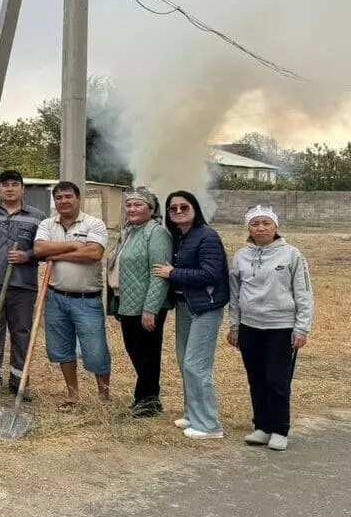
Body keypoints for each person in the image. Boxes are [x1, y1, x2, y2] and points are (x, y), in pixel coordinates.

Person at [228, 205, 314, 452]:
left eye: (266, 223)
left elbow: (304, 292)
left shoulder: (292, 255)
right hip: (250, 327)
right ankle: (262, 427)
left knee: (277, 380)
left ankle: (279, 429)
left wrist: (302, 327)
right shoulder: (241, 256)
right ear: (248, 228)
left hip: (281, 327)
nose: (261, 228)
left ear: (275, 226)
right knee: (257, 379)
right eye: (255, 224)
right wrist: (234, 326)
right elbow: (235, 294)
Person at [153, 190, 229, 440]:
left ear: (195, 209)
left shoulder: (207, 236)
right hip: (186, 306)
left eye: (184, 207)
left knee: (196, 365)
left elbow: (210, 274)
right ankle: (192, 414)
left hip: (205, 308)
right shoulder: (181, 237)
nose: (178, 212)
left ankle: (209, 425)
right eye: (173, 209)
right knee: (185, 361)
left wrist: (172, 273)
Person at [33, 181, 111, 410]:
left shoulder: (94, 223)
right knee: (61, 348)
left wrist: (55, 253)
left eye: (68, 197)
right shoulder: (47, 224)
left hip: (87, 299)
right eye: (59, 198)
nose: (64, 201)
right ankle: (72, 394)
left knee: (95, 349)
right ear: (54, 201)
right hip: (56, 297)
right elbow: (38, 250)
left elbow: (94, 253)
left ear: (78, 199)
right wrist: (75, 245)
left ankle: (104, 396)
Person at [0, 170, 46, 398]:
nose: (10, 188)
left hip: (23, 285)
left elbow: (44, 250)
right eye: (5, 185)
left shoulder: (37, 217)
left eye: (15, 184)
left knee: (22, 333)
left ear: (22, 189)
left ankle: (19, 380)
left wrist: (28, 255)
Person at [107, 187, 172, 418]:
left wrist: (150, 308)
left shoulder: (155, 233)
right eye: (129, 205)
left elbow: (159, 273)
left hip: (146, 305)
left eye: (138, 205)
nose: (132, 209)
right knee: (134, 350)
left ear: (151, 209)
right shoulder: (130, 231)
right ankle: (146, 397)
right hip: (128, 302)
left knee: (147, 353)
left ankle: (148, 400)